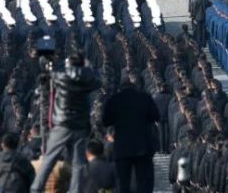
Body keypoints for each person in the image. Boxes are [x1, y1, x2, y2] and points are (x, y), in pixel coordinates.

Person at [32, 54, 100, 193]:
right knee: (79, 163)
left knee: (50, 157)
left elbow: (46, 72)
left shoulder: (61, 77)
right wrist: (88, 67)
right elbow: (97, 82)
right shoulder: (86, 80)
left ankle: (36, 187)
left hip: (62, 124)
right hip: (80, 126)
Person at [103, 76, 160, 193]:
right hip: (143, 147)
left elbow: (105, 121)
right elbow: (156, 116)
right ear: (135, 87)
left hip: (122, 147)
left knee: (123, 183)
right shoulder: (145, 97)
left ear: (120, 87)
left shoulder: (115, 99)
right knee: (143, 183)